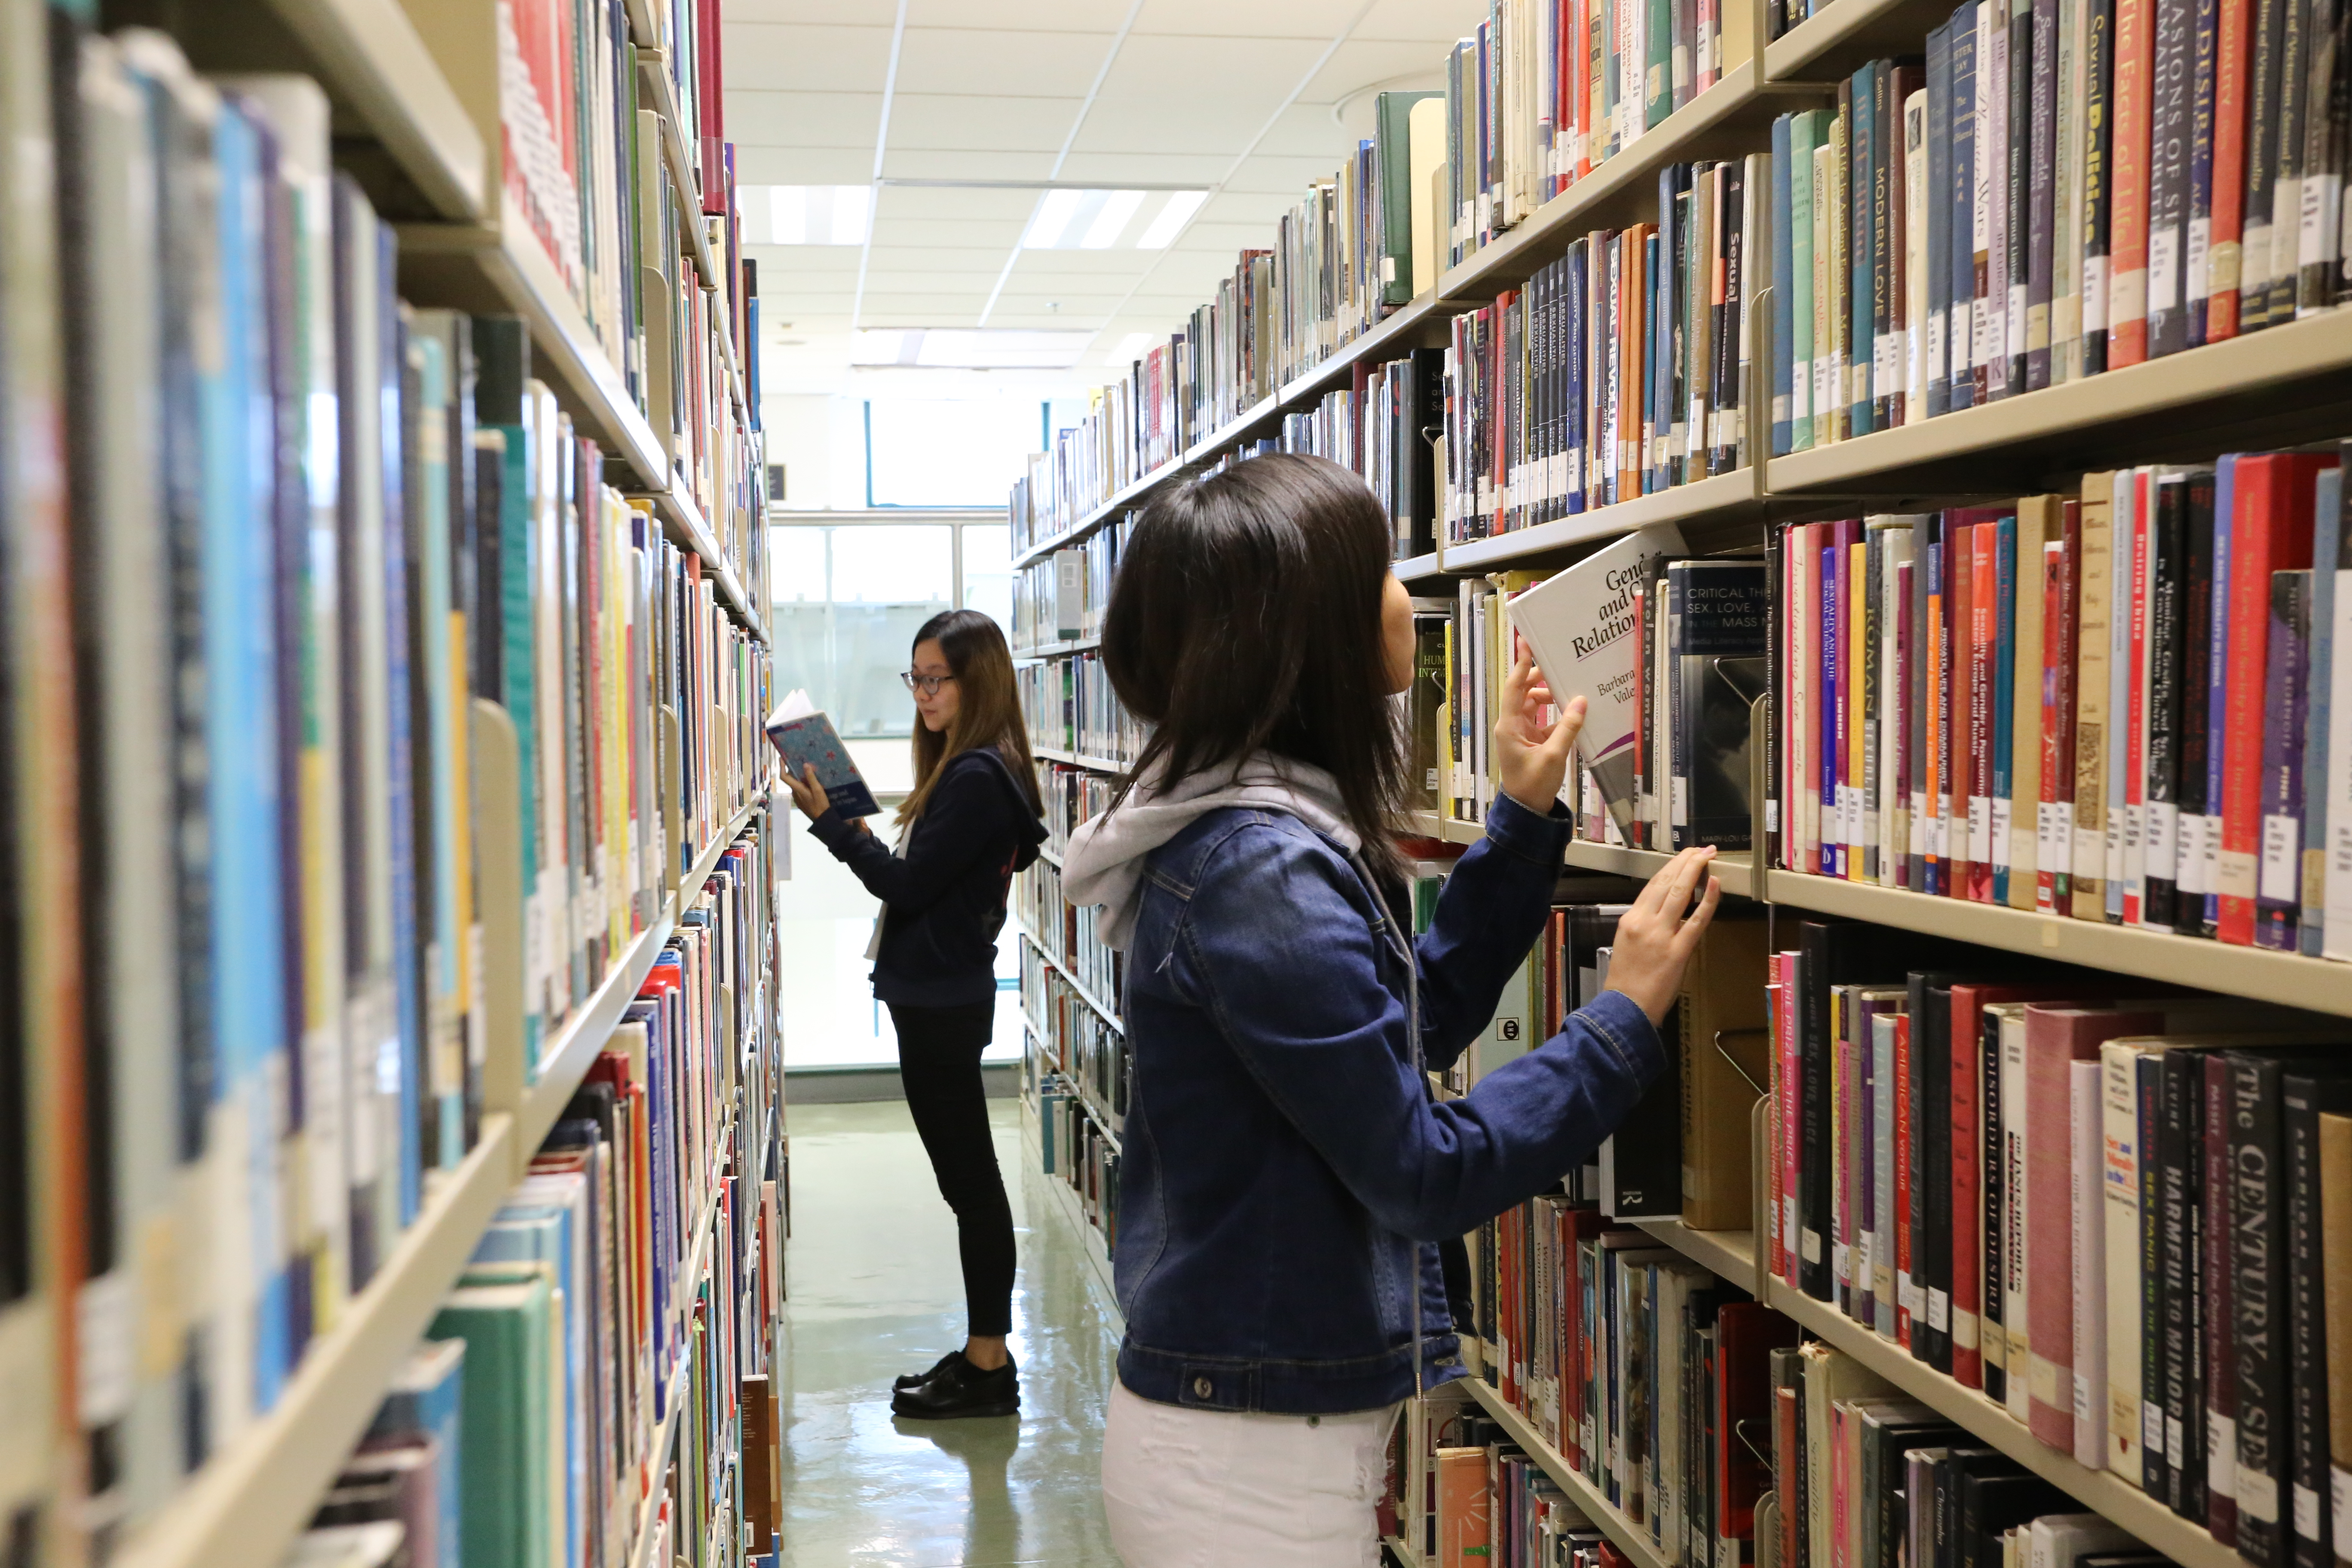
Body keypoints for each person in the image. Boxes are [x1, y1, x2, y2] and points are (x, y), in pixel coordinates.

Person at [1061, 453, 1721, 1566]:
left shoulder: (1252, 829)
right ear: (1301, 629)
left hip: (1258, 1433)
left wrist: (1518, 823)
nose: (1406, 595)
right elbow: (1420, 1169)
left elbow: (1389, 1040)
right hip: (1246, 1473)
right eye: (1377, 568)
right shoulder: (1260, 869)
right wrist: (1619, 1019)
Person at [784, 607, 1048, 1420]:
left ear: (979, 681)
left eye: (937, 679)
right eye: (917, 678)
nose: (923, 694)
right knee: (967, 1182)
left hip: (941, 1001)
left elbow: (905, 888)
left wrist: (831, 823)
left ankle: (989, 1365)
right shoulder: (977, 769)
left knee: (972, 1186)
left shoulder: (975, 779)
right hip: (941, 993)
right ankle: (982, 1352)